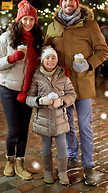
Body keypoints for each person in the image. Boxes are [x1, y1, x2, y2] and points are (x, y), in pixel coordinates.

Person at [45, 0, 108, 186]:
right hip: (63, 85)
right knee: (68, 125)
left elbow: (103, 50)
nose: (68, 4)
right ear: (60, 4)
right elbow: (46, 49)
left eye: (71, 1)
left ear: (77, 3)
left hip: (82, 84)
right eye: (65, 1)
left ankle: (88, 165)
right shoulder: (53, 26)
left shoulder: (90, 25)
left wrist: (88, 63)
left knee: (85, 125)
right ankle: (72, 155)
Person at [0, 0, 44, 180]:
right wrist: (12, 58)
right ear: (19, 20)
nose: (28, 23)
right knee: (13, 129)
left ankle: (20, 162)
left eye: (31, 19)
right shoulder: (7, 37)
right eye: (25, 19)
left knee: (23, 129)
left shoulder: (37, 40)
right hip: (8, 89)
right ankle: (9, 161)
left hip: (27, 91)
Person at [26, 47, 77, 185]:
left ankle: (62, 172)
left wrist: (62, 101)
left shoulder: (63, 77)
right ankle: (48, 171)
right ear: (43, 60)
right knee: (46, 147)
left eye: (53, 58)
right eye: (47, 58)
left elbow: (72, 94)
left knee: (62, 147)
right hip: (43, 118)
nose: (50, 60)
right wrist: (39, 101)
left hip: (60, 118)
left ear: (57, 60)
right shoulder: (36, 77)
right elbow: (29, 97)